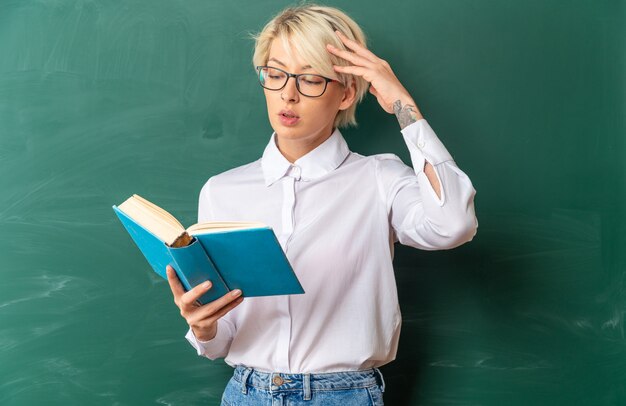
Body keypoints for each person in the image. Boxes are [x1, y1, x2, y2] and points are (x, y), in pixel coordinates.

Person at [165, 3, 477, 405]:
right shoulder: (222, 191)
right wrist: (204, 328)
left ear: (347, 92)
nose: (287, 95)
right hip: (247, 392)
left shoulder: (379, 179)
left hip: (343, 394)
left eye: (310, 79)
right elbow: (223, 339)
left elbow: (453, 225)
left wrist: (403, 104)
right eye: (275, 75)